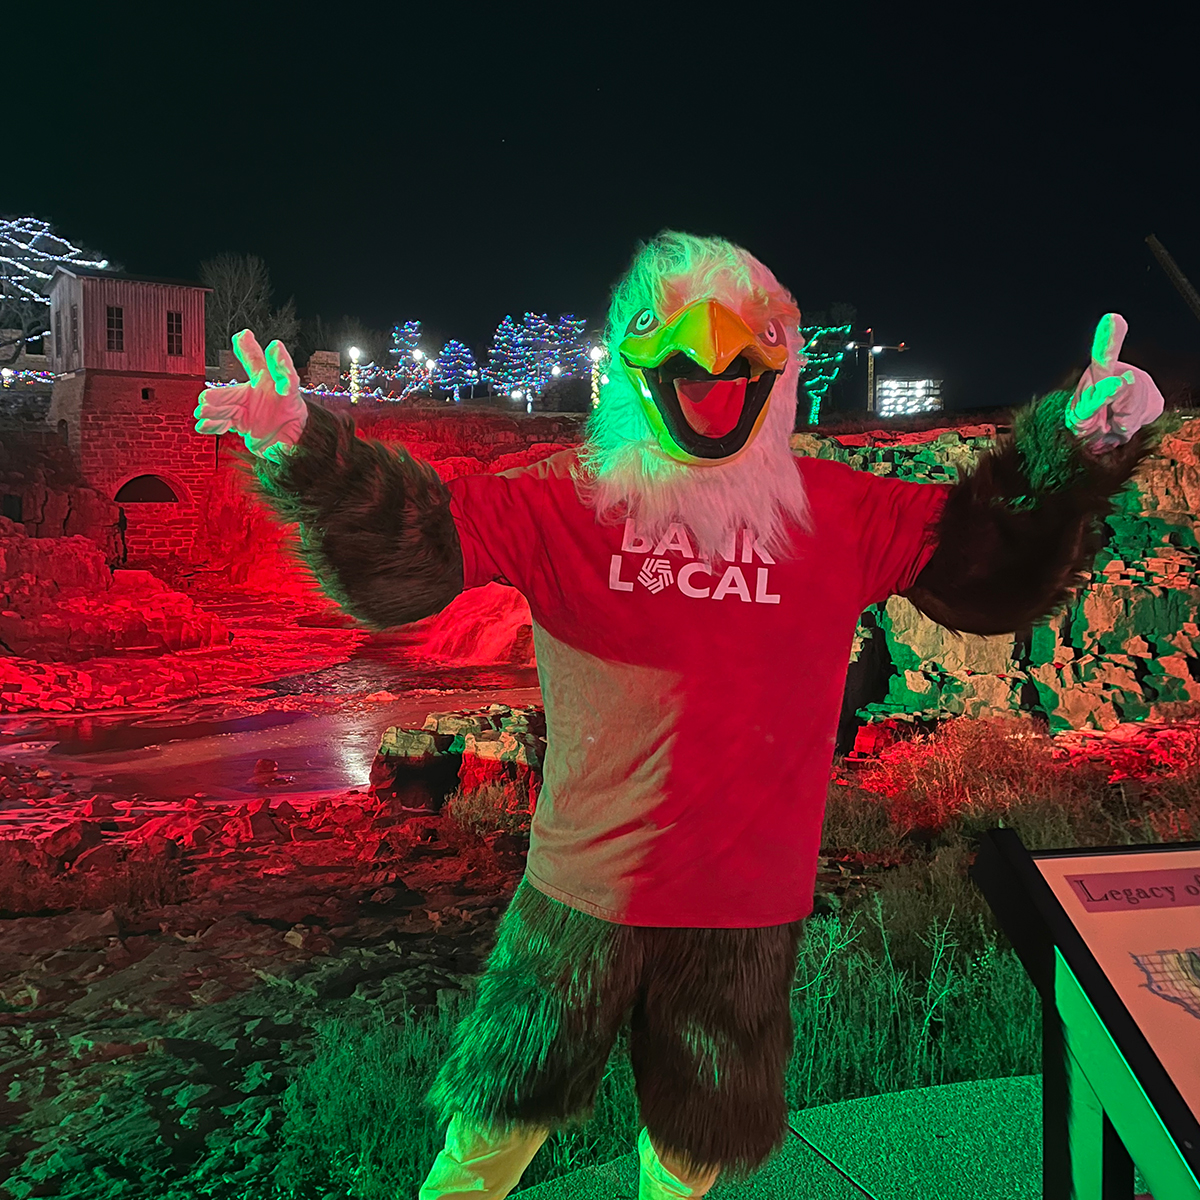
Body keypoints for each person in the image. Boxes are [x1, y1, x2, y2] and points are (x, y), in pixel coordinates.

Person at [194, 232, 1163, 1200]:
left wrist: (1074, 455)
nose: (710, 375)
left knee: (692, 1154)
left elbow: (979, 564)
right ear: (632, 364)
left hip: (740, 915)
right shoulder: (570, 504)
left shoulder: (836, 512)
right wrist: (306, 454)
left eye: (742, 353)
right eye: (684, 353)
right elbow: (418, 547)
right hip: (581, 895)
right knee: (488, 1136)